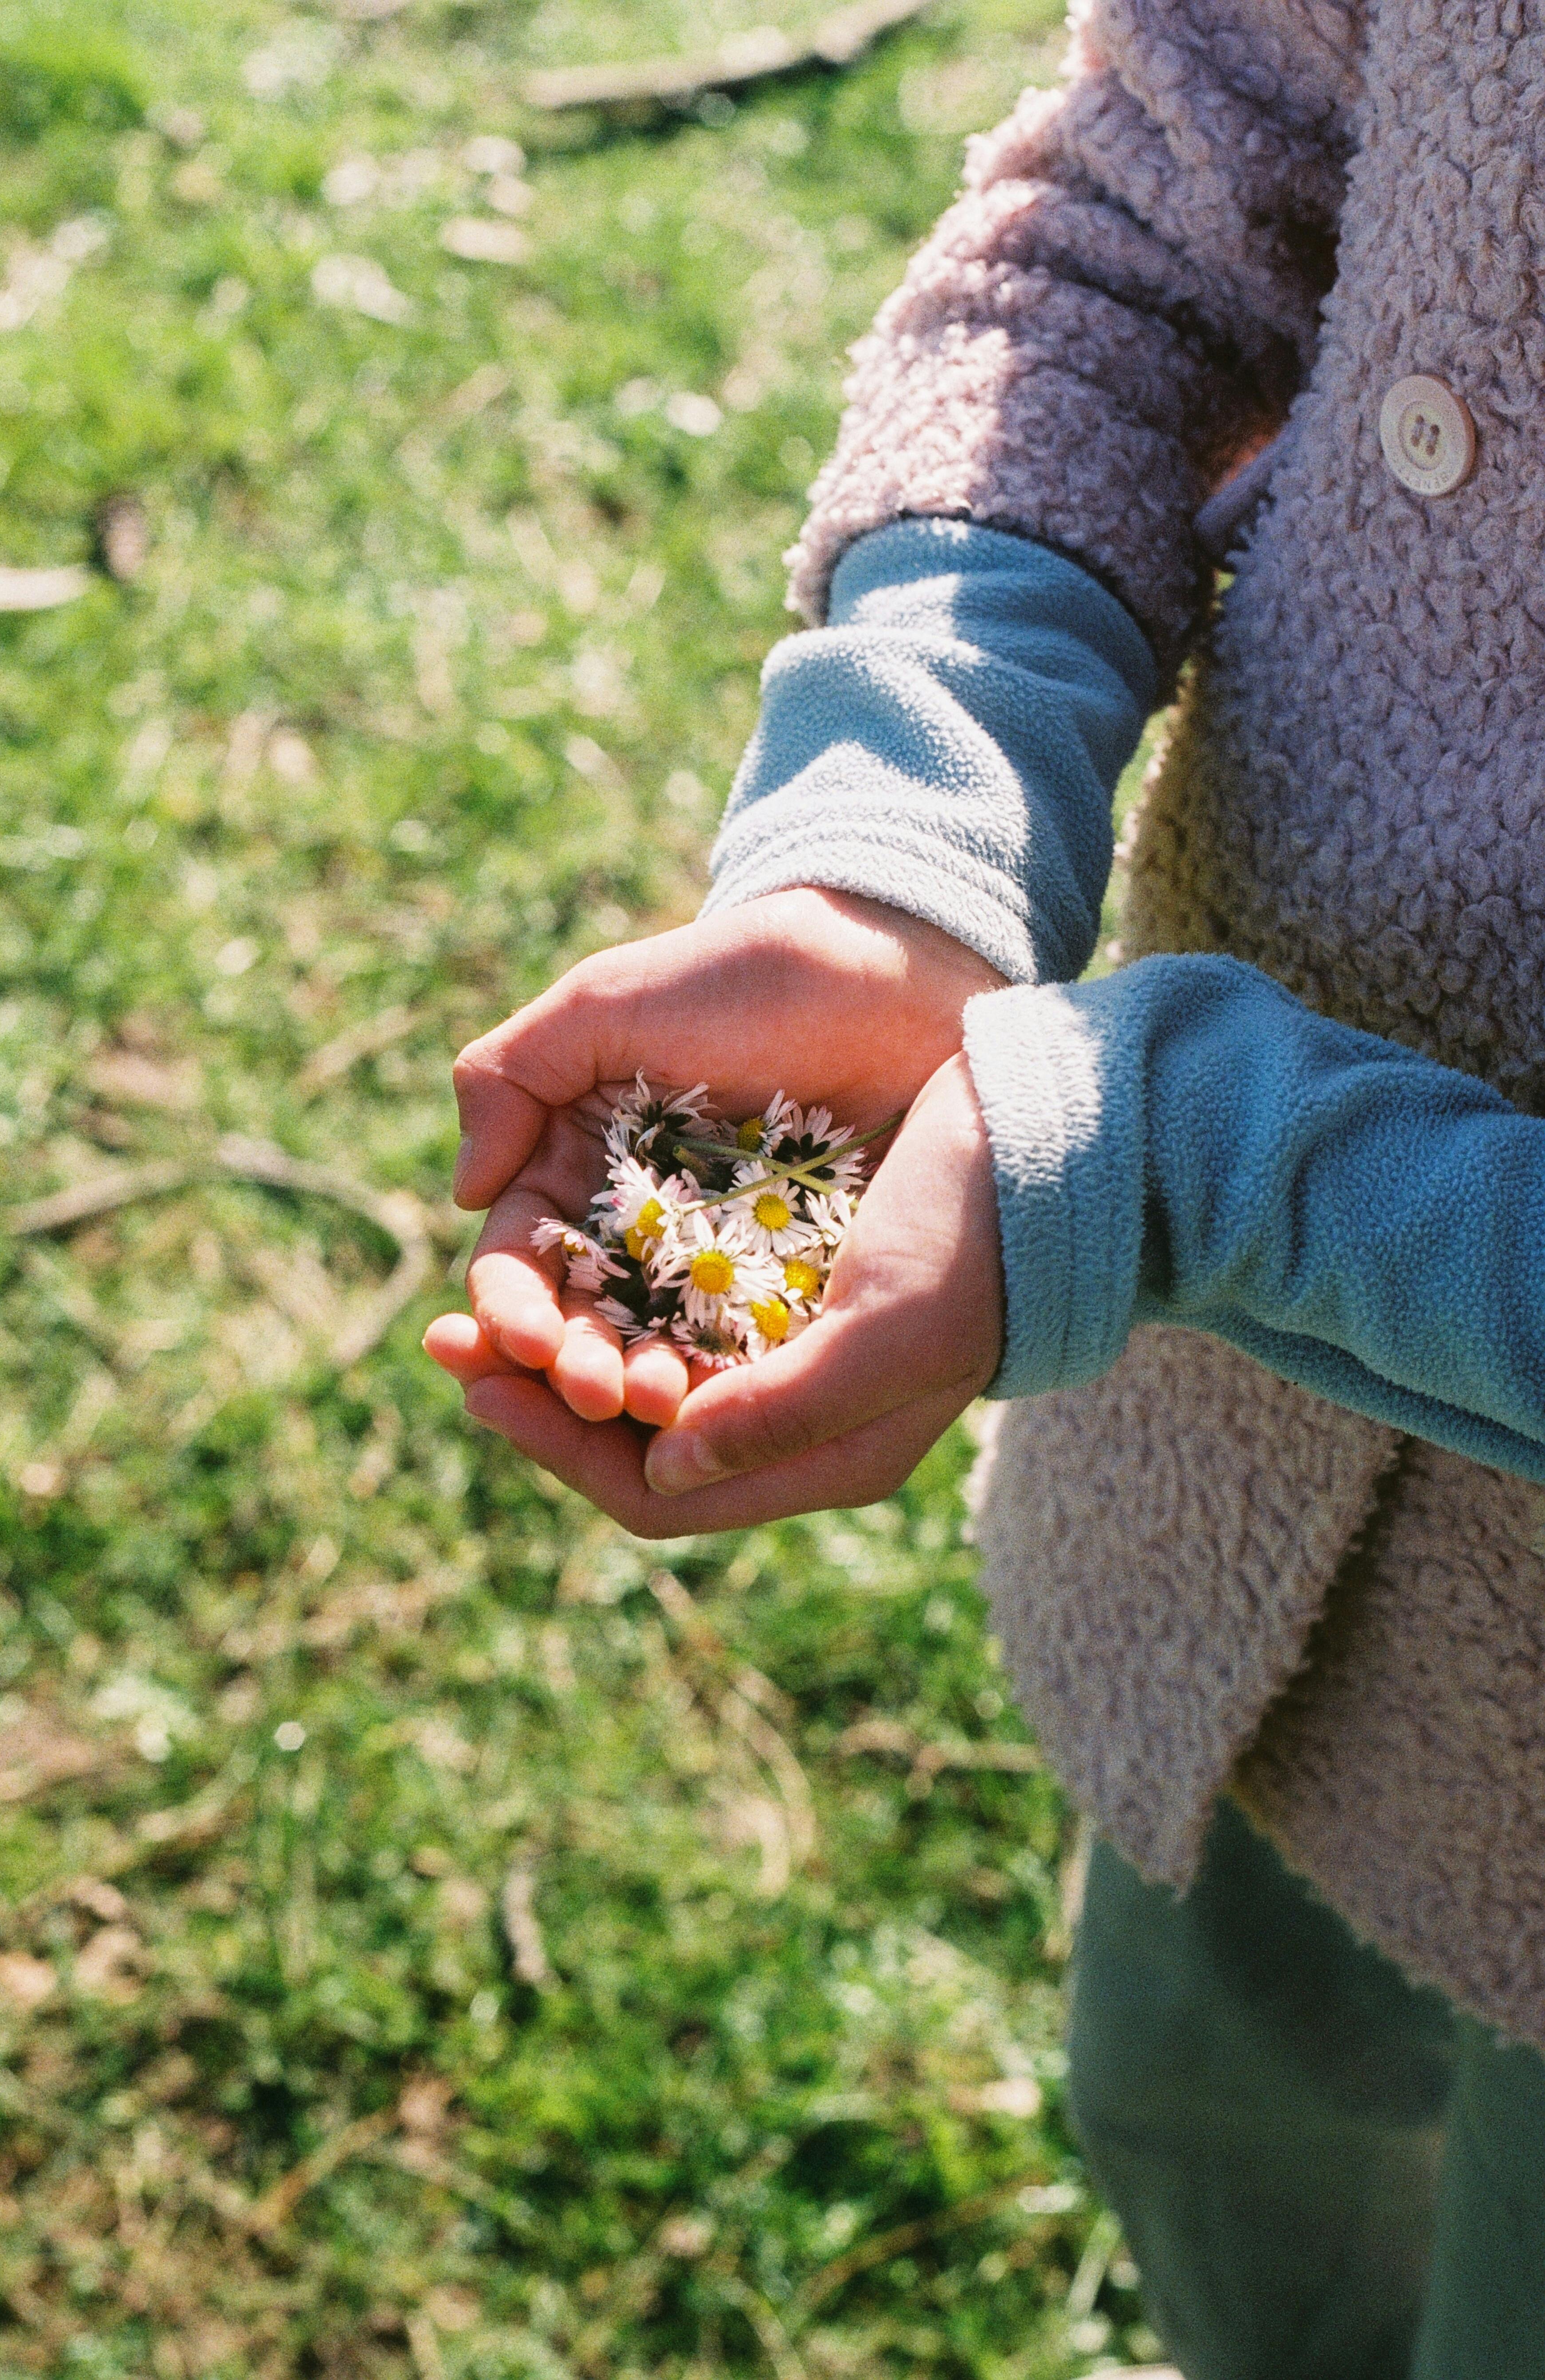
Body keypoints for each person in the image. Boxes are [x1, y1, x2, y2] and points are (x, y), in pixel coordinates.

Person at [426, 0, 1545, 2366]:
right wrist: (898, 855)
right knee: (1217, 2128)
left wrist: (1158, 1166)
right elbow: (1138, 219)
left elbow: (1156, 1168)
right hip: (1233, 1571)